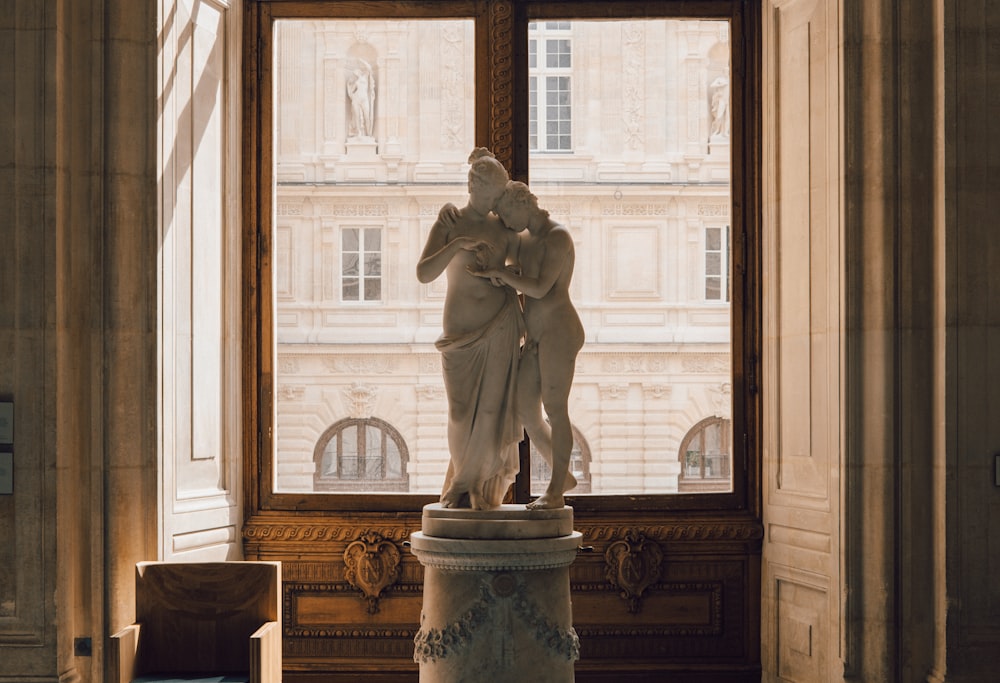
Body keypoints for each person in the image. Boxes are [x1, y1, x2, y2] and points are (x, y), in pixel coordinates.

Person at [416, 149, 524, 510]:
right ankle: (462, 479)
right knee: (460, 413)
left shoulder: (503, 228)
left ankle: (475, 486)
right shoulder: (450, 221)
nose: (495, 203)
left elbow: (527, 272)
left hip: (500, 326)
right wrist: (457, 244)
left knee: (491, 413)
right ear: (472, 187)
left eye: (498, 196)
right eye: (491, 195)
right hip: (461, 332)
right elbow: (424, 273)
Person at [469, 181, 584, 509]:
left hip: (559, 333)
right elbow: (512, 272)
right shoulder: (523, 240)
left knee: (555, 408)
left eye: (507, 213)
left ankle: (555, 492)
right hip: (534, 337)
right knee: (525, 410)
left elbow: (539, 288)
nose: (506, 221)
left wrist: (503, 275)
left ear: (523, 203)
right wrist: (496, 273)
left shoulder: (557, 237)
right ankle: (563, 475)